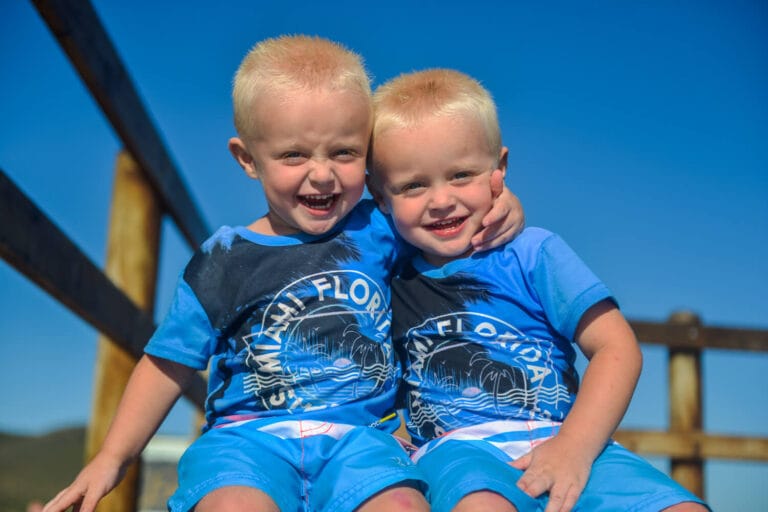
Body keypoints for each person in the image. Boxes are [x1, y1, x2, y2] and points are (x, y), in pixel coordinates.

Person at [43, 37, 524, 512]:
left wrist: (503, 204)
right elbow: (167, 362)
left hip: (361, 443)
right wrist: (113, 456)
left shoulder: (381, 228)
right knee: (234, 505)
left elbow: (442, 221)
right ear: (248, 159)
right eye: (295, 155)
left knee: (399, 503)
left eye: (344, 152)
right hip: (248, 440)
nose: (322, 174)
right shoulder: (225, 259)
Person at [366, 68, 711, 512]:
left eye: (461, 175)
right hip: (459, 453)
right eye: (414, 184)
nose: (441, 200)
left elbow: (616, 348)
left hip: (569, 438)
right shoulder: (385, 275)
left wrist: (575, 447)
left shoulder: (534, 252)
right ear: (380, 196)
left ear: (500, 170)